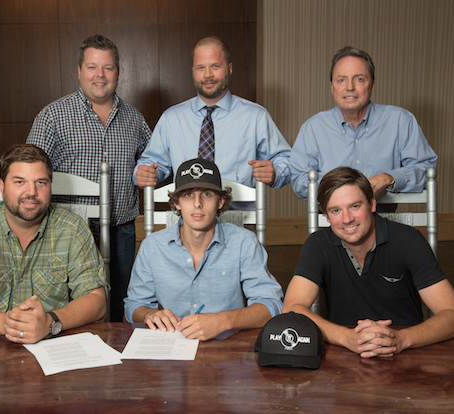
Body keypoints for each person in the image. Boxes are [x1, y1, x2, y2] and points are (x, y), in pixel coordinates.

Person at [27, 34, 151, 322]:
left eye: (107, 68)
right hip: (68, 231)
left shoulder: (134, 118)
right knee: (71, 306)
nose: (100, 75)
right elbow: (30, 168)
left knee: (119, 304)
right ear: (79, 71)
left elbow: (153, 163)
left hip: (122, 229)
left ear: (117, 73)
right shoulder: (53, 115)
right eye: (92, 67)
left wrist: (148, 171)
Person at [0, 144, 109, 344]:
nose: (31, 192)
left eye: (41, 182)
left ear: (51, 185)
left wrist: (50, 322)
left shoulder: (72, 228)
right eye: (20, 181)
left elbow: (96, 300)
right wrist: (10, 324)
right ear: (2, 185)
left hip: (54, 345)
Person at [282, 166, 454, 358]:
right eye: (336, 210)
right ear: (326, 216)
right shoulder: (318, 244)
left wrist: (401, 339)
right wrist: (347, 338)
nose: (347, 219)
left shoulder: (409, 240)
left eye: (355, 206)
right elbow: (291, 308)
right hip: (344, 354)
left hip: (408, 351)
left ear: (372, 204)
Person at [125, 158, 283, 340]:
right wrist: (148, 314)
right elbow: (134, 304)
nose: (197, 203)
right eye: (188, 195)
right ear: (177, 203)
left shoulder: (244, 243)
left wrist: (223, 321)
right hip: (173, 348)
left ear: (220, 202)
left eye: (207, 194)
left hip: (229, 349)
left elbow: (271, 304)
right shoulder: (152, 247)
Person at [134, 36, 292, 190]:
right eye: (200, 67)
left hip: (241, 215)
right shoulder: (171, 118)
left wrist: (275, 173)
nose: (208, 74)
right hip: (188, 214)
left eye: (215, 66)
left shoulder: (256, 116)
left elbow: (286, 160)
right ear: (193, 71)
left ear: (229, 69)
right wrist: (144, 174)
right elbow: (152, 163)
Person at [290, 46, 438, 200]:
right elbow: (299, 179)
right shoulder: (313, 128)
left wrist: (388, 178)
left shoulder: (401, 120)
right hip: (332, 221)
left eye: (359, 79)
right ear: (332, 88)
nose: (350, 87)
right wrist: (344, 188)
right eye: (341, 80)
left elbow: (426, 169)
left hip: (385, 220)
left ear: (372, 85)